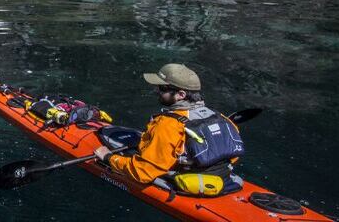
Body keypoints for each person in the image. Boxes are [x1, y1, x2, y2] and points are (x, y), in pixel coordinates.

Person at [92, 63, 242, 187]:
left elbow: (143, 173)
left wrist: (108, 158)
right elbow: (232, 155)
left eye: (162, 88)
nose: (156, 90)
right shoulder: (220, 117)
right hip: (222, 177)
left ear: (181, 95)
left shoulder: (167, 124)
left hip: (186, 181)